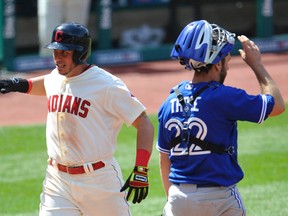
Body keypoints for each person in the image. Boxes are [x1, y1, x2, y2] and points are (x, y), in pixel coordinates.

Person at [0, 22, 154, 215]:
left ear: (80, 53)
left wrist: (141, 168)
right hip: (57, 181)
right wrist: (18, 84)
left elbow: (144, 123)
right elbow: (47, 83)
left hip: (99, 182)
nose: (58, 58)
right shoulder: (57, 76)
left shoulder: (107, 85)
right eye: (55, 52)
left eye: (64, 53)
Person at [157, 20, 285, 216]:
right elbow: (276, 105)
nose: (228, 62)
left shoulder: (169, 101)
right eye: (226, 58)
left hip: (178, 197)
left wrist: (173, 201)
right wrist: (257, 65)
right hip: (218, 199)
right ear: (217, 63)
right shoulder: (224, 97)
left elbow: (164, 159)